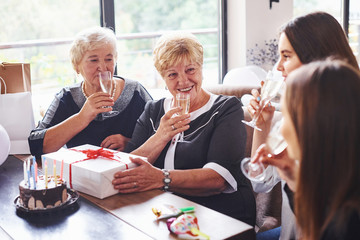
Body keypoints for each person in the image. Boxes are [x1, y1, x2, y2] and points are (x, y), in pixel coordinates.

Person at [111, 31, 256, 225]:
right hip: (165, 213)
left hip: (220, 216)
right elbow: (125, 169)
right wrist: (160, 136)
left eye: (190, 70)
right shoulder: (153, 110)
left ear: (201, 69)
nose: (183, 81)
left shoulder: (226, 108)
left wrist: (161, 178)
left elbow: (217, 180)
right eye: (172, 74)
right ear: (163, 78)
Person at [247, 11, 359, 240]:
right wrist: (262, 125)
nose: (278, 67)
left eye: (286, 56)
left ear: (316, 58)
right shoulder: (295, 112)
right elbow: (260, 182)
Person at [28, 27, 152, 158]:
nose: (103, 67)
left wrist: (130, 143)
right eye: (94, 60)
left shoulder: (135, 91)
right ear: (76, 66)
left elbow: (163, 136)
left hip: (129, 173)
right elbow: (36, 145)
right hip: (81, 175)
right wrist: (82, 117)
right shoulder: (67, 97)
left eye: (109, 59)